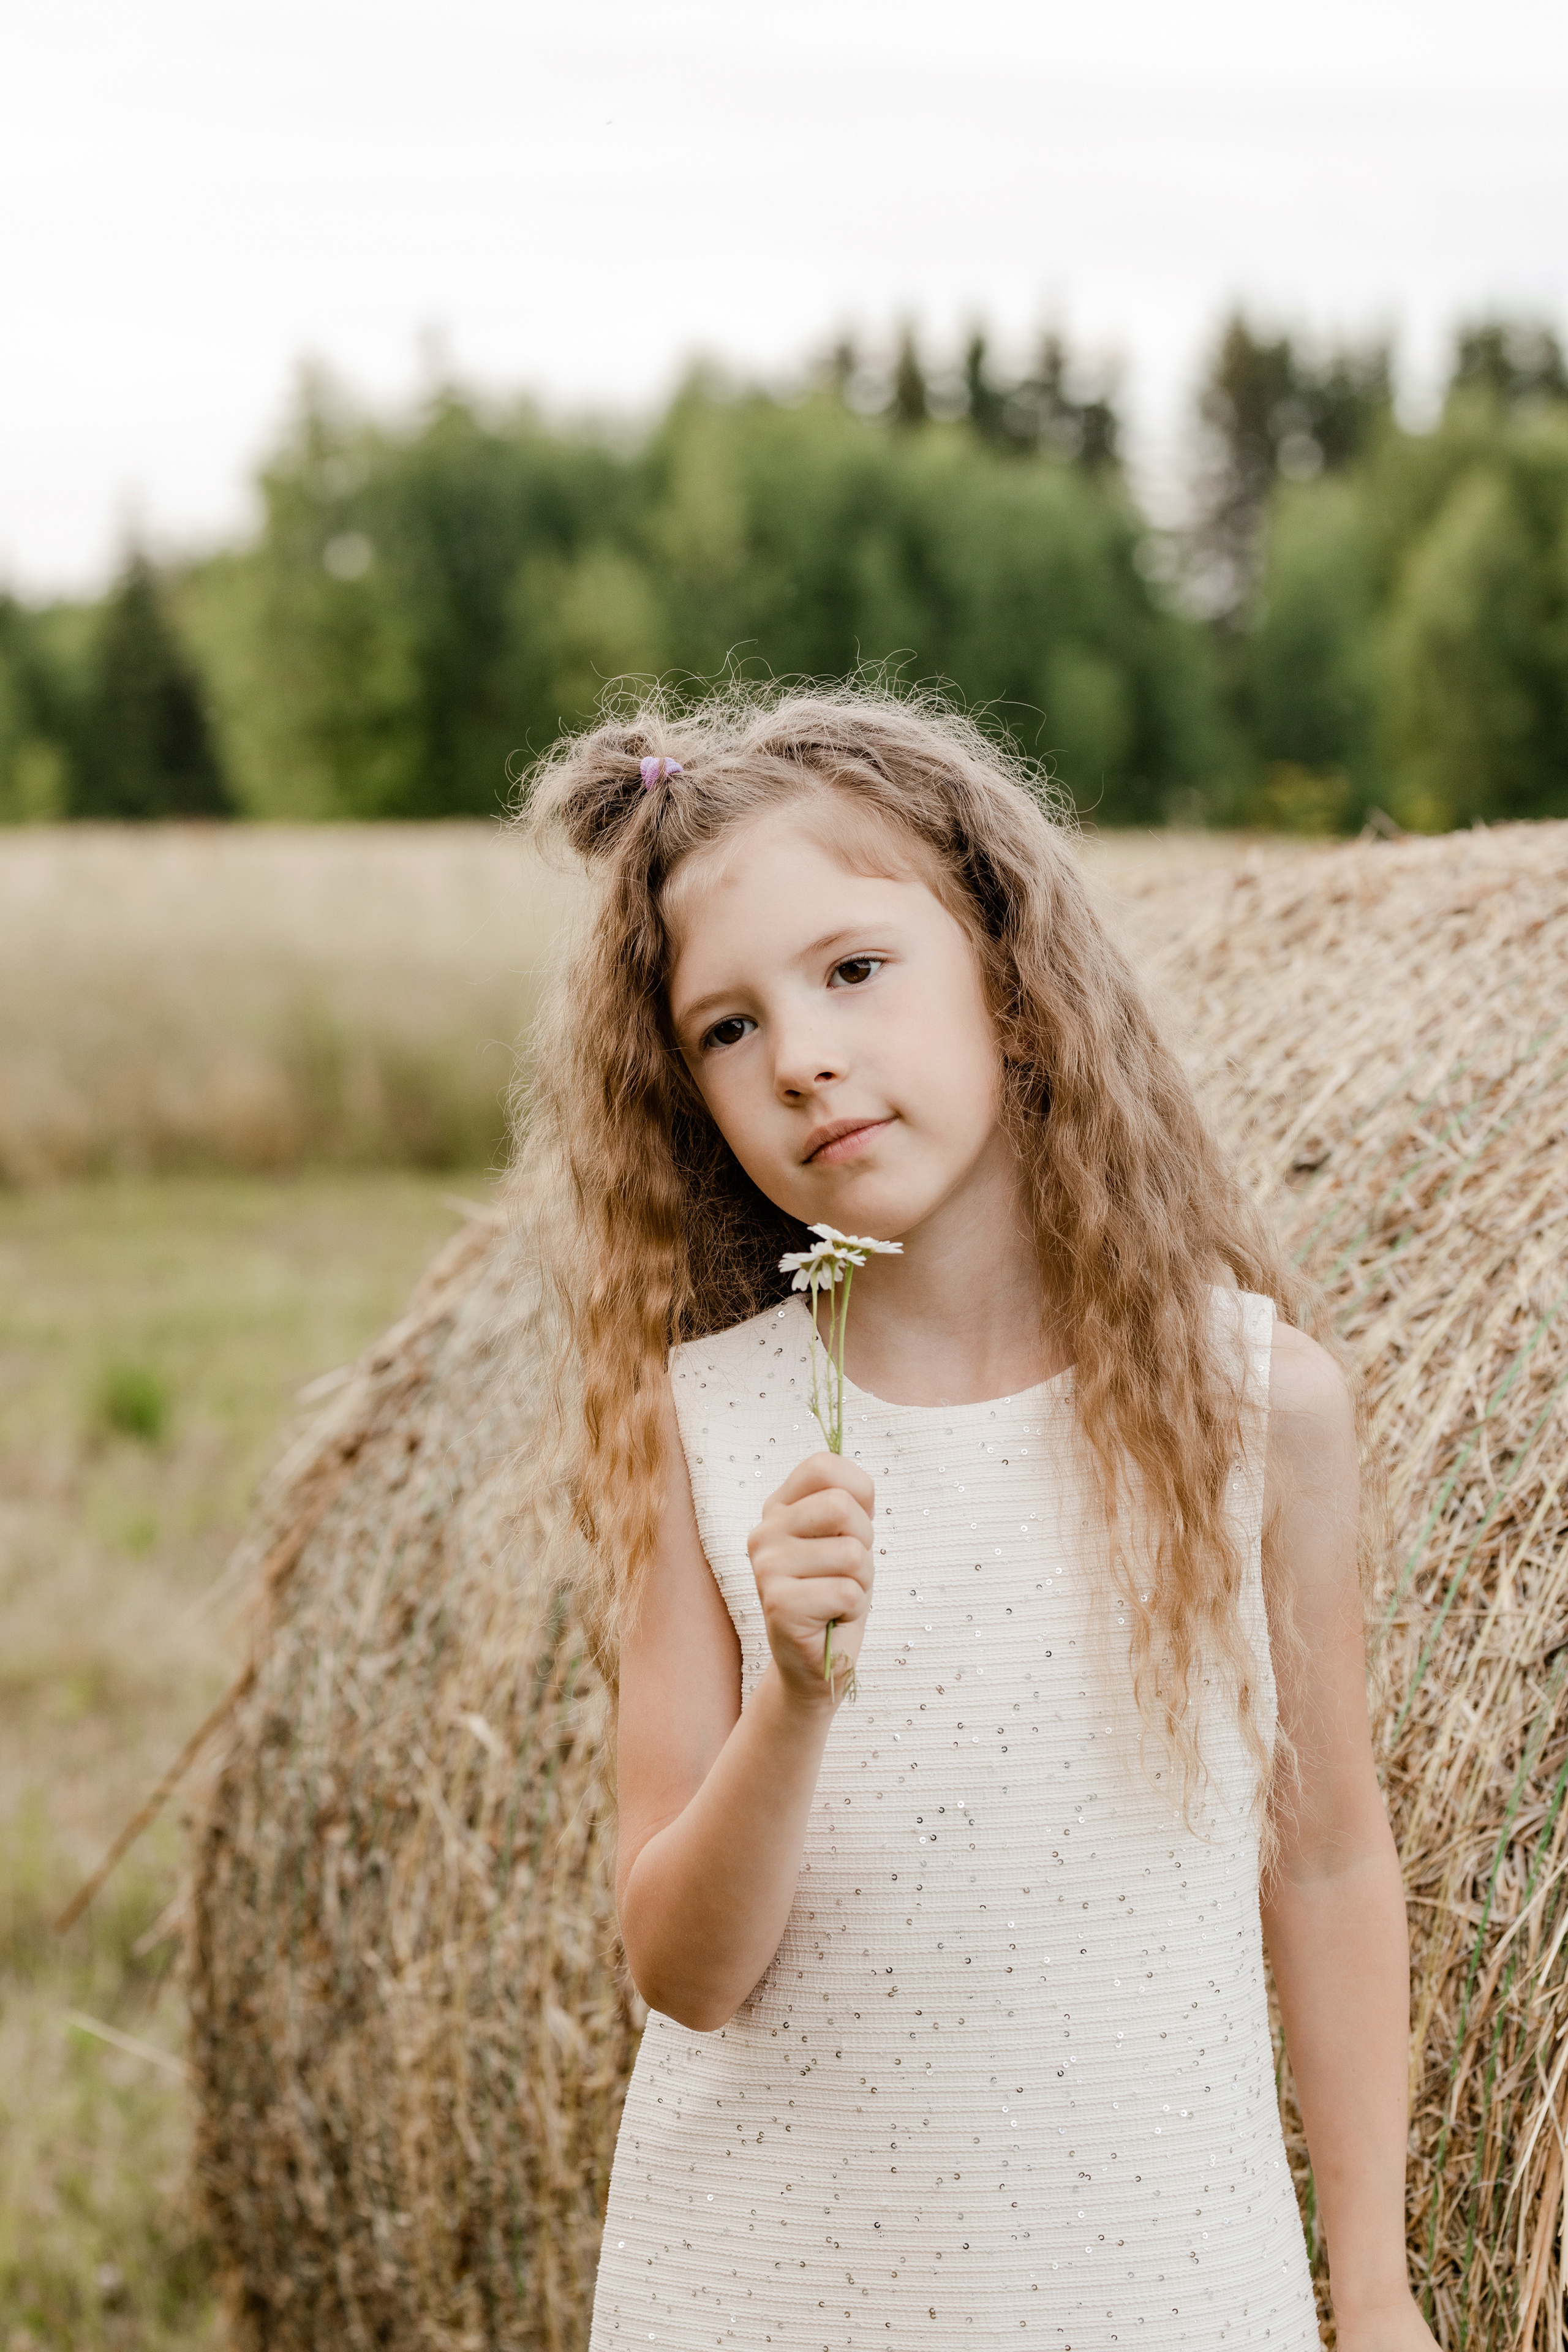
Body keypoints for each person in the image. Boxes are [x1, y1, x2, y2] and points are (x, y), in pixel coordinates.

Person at [518, 687, 1435, 2351]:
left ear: (1010, 978)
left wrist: (1370, 2293)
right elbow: (684, 1971)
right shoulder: (712, 1430)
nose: (800, 1056)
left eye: (856, 970)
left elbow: (1324, 1859)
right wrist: (796, 1696)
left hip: (1160, 2287)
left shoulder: (1261, 1410)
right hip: (764, 2296)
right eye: (726, 1029)